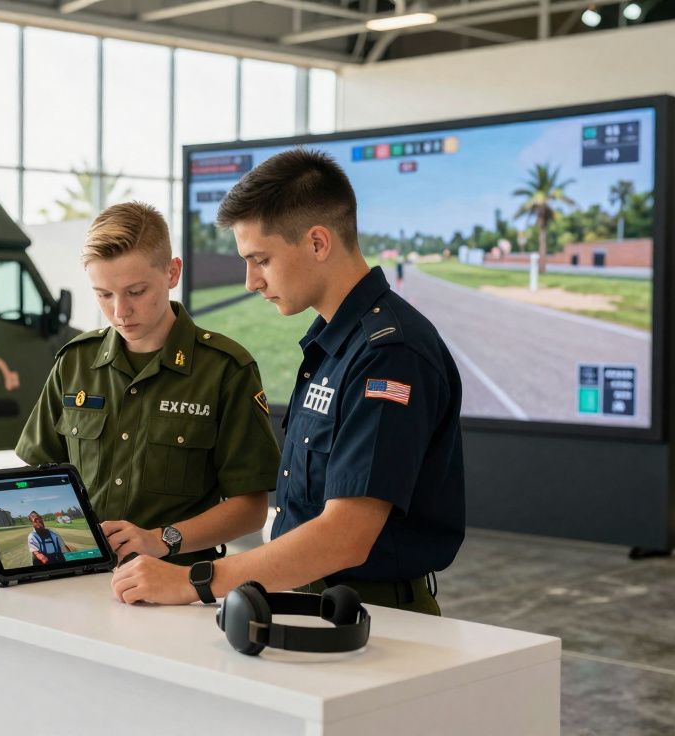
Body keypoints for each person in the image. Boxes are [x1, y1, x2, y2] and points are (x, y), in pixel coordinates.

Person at [110, 150, 465, 615]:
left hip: (374, 616)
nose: (250, 281)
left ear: (317, 243)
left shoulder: (388, 354)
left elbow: (346, 536)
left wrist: (193, 580)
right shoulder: (333, 345)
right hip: (309, 599)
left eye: (260, 259)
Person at [16, 202, 280, 567]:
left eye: (136, 291)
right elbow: (37, 476)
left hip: (176, 582)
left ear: (172, 272)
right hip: (78, 574)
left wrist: (161, 540)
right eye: (104, 294)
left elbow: (250, 509)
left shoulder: (225, 369)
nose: (120, 311)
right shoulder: (75, 362)